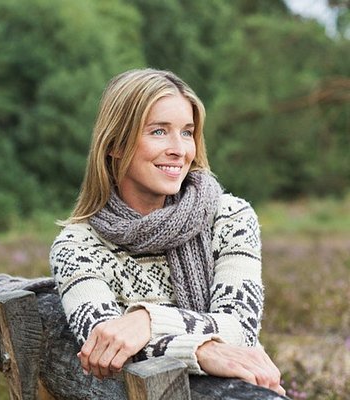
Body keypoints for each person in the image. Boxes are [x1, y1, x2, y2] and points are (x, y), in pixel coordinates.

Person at [49, 68, 285, 396]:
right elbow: (106, 345)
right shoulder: (77, 247)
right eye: (159, 132)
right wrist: (202, 351)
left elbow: (240, 326)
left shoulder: (230, 218)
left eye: (187, 133)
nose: (179, 149)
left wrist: (146, 322)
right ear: (115, 144)